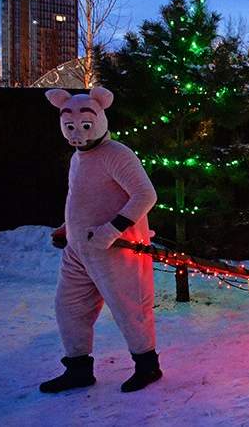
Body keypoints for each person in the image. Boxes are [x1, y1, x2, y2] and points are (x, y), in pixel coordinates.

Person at [41, 87, 161, 394]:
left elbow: (145, 195)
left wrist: (110, 230)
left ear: (100, 118)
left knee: (129, 308)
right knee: (69, 307)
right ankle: (78, 368)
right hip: (78, 250)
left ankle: (147, 366)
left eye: (84, 125)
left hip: (115, 250)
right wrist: (67, 227)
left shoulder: (116, 155)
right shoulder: (78, 158)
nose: (77, 133)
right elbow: (81, 199)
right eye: (70, 127)